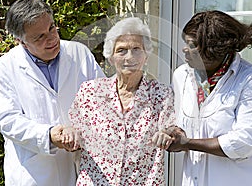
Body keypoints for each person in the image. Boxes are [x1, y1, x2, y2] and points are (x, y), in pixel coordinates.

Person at [152, 10, 252, 186]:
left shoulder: (251, 81)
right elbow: (183, 123)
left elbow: (245, 142)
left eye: (192, 45)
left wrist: (188, 143)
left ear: (215, 50)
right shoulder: (181, 76)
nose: (184, 49)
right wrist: (173, 133)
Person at [0, 0, 105, 186]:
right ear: (21, 41)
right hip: (34, 175)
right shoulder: (5, 69)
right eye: (39, 37)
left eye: (51, 28)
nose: (51, 38)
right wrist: (49, 135)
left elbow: (102, 101)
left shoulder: (79, 53)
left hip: (83, 170)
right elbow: (8, 121)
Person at [67, 17, 176, 185]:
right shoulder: (90, 92)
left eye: (136, 49)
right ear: (111, 58)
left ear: (146, 55)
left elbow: (173, 130)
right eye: (121, 50)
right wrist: (70, 134)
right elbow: (74, 134)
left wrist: (167, 135)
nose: (129, 57)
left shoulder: (161, 94)